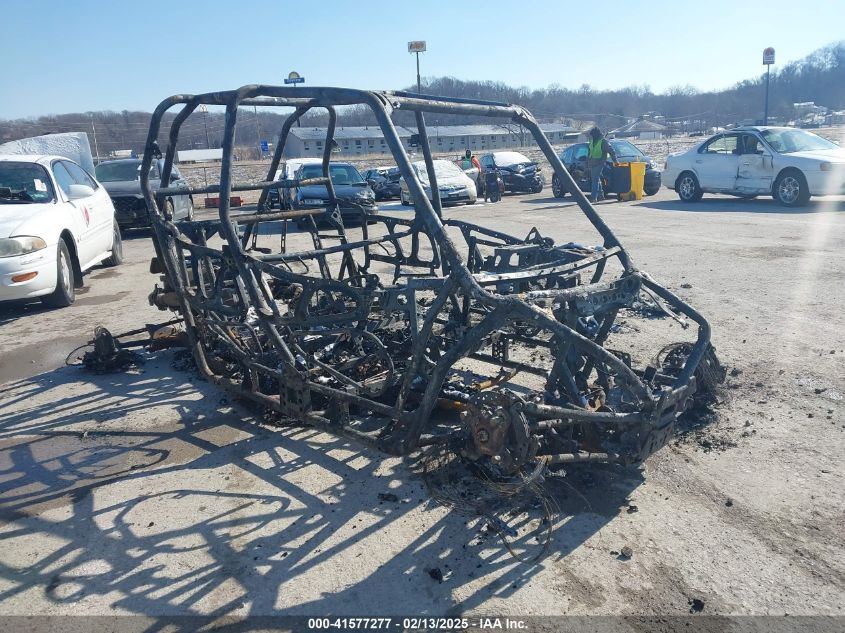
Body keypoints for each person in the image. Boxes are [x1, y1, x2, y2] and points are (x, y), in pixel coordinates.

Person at [586, 127, 617, 202]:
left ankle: (593, 197)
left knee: (595, 180)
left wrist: (615, 161)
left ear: (596, 134)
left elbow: (611, 151)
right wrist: (588, 162)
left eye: (592, 135)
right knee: (596, 179)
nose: (592, 136)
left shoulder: (603, 141)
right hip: (592, 163)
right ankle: (601, 196)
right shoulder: (592, 141)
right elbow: (589, 152)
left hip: (600, 162)